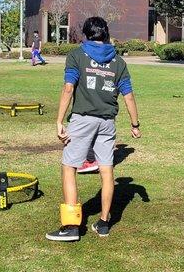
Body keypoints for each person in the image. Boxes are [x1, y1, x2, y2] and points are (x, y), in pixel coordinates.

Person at [46, 17, 142, 242]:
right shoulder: (118, 62)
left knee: (69, 166)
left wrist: (59, 120)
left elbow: (69, 88)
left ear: (86, 34)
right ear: (106, 34)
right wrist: (135, 124)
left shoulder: (76, 55)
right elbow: (128, 95)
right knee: (106, 170)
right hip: (107, 122)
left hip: (82, 119)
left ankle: (70, 226)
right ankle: (104, 222)